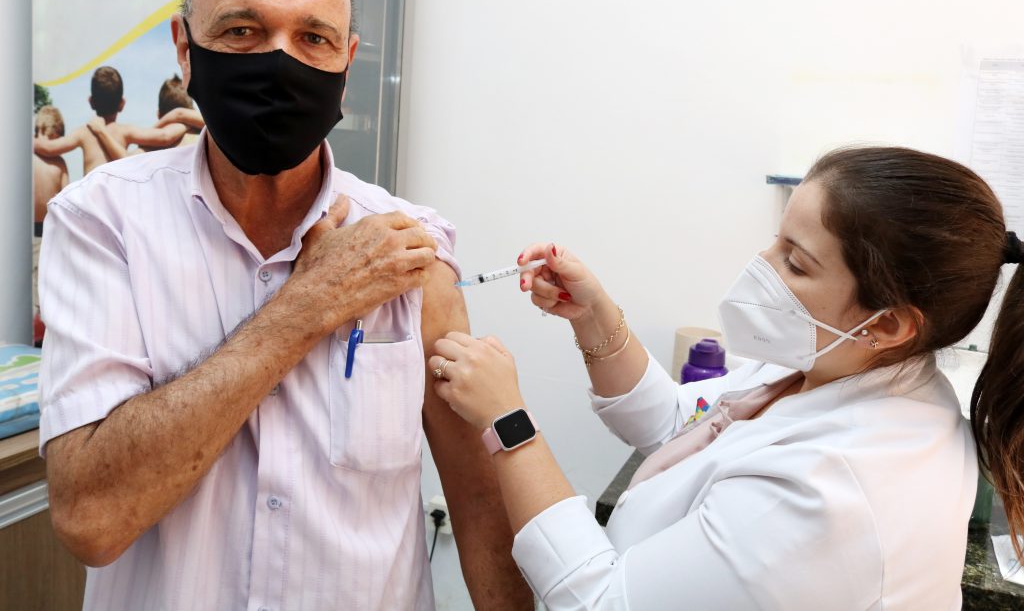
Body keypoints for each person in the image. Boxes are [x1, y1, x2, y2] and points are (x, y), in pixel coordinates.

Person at [38, 0, 531, 611]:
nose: (278, 61)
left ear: (346, 64)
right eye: (241, 30)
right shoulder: (102, 223)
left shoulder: (408, 251)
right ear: (185, 48)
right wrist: (306, 306)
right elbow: (90, 518)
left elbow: (480, 507)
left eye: (313, 37)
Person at [428, 146, 1022, 609]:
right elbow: (673, 424)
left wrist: (508, 422)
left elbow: (600, 603)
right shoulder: (827, 364)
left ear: (887, 323)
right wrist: (594, 316)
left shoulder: (832, 492)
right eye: (777, 241)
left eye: (796, 262)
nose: (762, 266)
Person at [32, 66, 132, 175]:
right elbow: (150, 137)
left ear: (91, 102)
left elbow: (48, 148)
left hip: (93, 187)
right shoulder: (127, 131)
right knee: (143, 149)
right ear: (122, 104)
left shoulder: (84, 132)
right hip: (121, 183)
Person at [89, 74, 203, 158]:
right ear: (193, 110)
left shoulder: (153, 146)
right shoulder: (207, 130)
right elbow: (180, 114)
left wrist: (101, 131)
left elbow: (125, 161)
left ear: (159, 115)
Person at [31, 105, 69, 337]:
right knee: (44, 291)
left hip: (30, 232)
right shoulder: (59, 164)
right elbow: (66, 200)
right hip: (48, 234)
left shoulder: (24, 157)